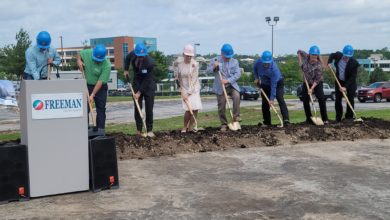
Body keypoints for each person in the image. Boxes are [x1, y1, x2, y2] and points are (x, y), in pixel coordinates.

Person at [77, 44, 111, 136]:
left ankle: (100, 131)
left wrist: (92, 95)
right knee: (86, 108)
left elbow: (100, 82)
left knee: (101, 108)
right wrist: (79, 61)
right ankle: (85, 129)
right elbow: (79, 54)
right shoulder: (88, 52)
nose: (97, 61)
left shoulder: (107, 65)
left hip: (100, 88)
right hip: (88, 85)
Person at [124, 43, 156, 137]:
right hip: (137, 82)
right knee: (137, 107)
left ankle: (149, 130)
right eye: (139, 56)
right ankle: (139, 130)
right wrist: (126, 69)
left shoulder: (150, 62)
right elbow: (127, 58)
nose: (141, 58)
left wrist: (139, 93)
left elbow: (147, 80)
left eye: (142, 56)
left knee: (149, 108)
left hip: (148, 84)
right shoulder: (133, 54)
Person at [207, 43, 241, 131]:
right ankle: (224, 124)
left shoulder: (235, 61)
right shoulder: (215, 60)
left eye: (229, 56)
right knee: (221, 105)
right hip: (220, 87)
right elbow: (208, 71)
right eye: (226, 56)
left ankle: (236, 118)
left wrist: (228, 80)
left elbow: (238, 74)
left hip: (231, 85)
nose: (228, 58)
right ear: (221, 53)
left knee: (237, 96)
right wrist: (214, 67)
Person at [253, 50, 290, 126]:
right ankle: (267, 121)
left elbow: (273, 85)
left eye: (268, 63)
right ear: (262, 60)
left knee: (280, 98)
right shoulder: (258, 62)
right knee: (265, 103)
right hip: (265, 84)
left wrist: (272, 99)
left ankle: (286, 120)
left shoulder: (274, 70)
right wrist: (256, 78)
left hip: (277, 83)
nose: (266, 64)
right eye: (265, 63)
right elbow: (254, 68)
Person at [173, 44, 202, 133]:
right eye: (187, 56)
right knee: (188, 109)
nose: (189, 57)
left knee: (195, 108)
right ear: (184, 54)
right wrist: (177, 80)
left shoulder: (195, 64)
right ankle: (185, 127)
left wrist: (188, 93)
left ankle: (191, 127)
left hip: (194, 87)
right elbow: (176, 75)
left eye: (190, 56)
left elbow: (194, 80)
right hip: (183, 87)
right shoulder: (178, 63)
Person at [327, 45, 360, 122]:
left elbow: (352, 77)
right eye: (345, 56)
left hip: (350, 83)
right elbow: (331, 55)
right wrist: (329, 62)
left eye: (348, 57)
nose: (346, 58)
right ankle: (338, 117)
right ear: (343, 53)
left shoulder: (354, 63)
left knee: (350, 99)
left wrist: (345, 87)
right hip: (339, 81)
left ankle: (349, 117)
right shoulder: (338, 55)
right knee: (338, 99)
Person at [298, 46, 329, 124]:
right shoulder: (306, 56)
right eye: (313, 55)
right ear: (310, 54)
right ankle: (308, 118)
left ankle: (325, 118)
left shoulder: (319, 65)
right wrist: (300, 62)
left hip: (317, 83)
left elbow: (317, 79)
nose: (314, 56)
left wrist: (311, 89)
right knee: (305, 99)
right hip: (307, 81)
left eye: (316, 55)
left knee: (321, 98)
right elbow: (299, 51)